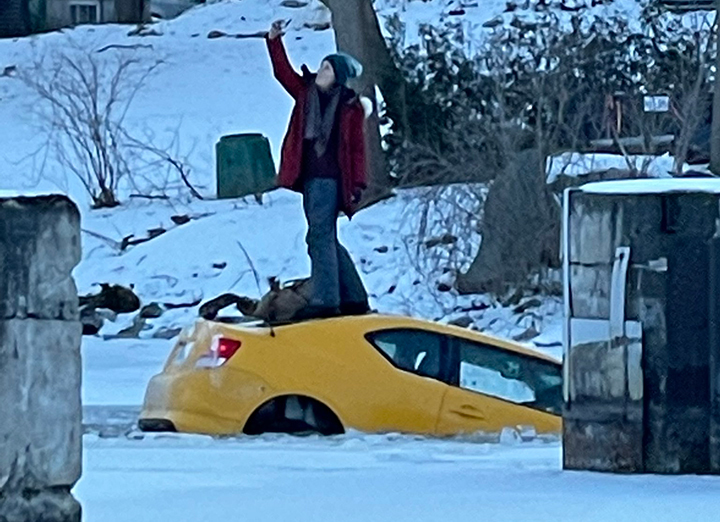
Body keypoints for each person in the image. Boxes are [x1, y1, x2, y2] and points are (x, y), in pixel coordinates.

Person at [266, 20, 370, 320]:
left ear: (337, 77)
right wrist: (274, 41)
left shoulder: (349, 107)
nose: (320, 71)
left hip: (331, 180)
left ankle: (327, 299)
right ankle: (354, 297)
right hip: (309, 178)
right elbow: (282, 73)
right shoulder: (305, 93)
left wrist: (357, 184)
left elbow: (357, 149)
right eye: (322, 66)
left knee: (318, 237)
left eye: (327, 69)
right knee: (324, 237)